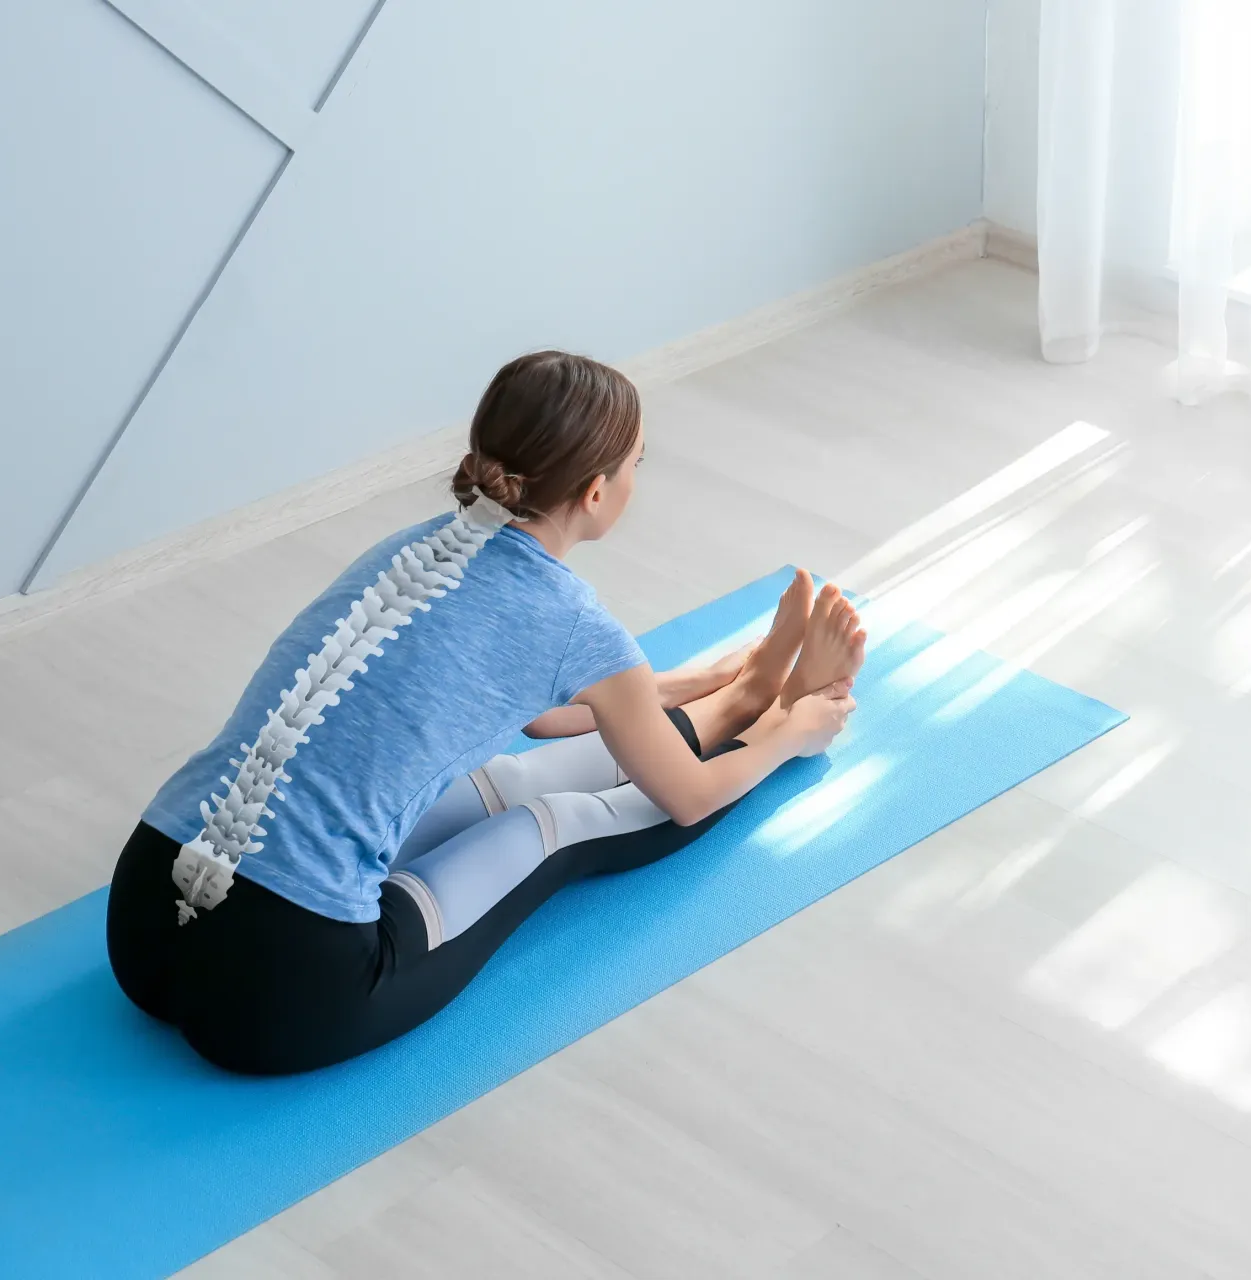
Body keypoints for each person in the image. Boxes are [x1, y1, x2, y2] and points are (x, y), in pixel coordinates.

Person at [105, 350, 866, 1075]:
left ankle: (738, 693)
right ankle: (767, 716)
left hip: (144, 915)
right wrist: (795, 737)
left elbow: (553, 715)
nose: (639, 476)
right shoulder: (568, 617)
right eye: (638, 462)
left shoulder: (410, 551)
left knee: (500, 776)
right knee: (546, 826)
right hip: (286, 994)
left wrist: (690, 680)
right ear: (596, 492)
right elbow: (687, 796)